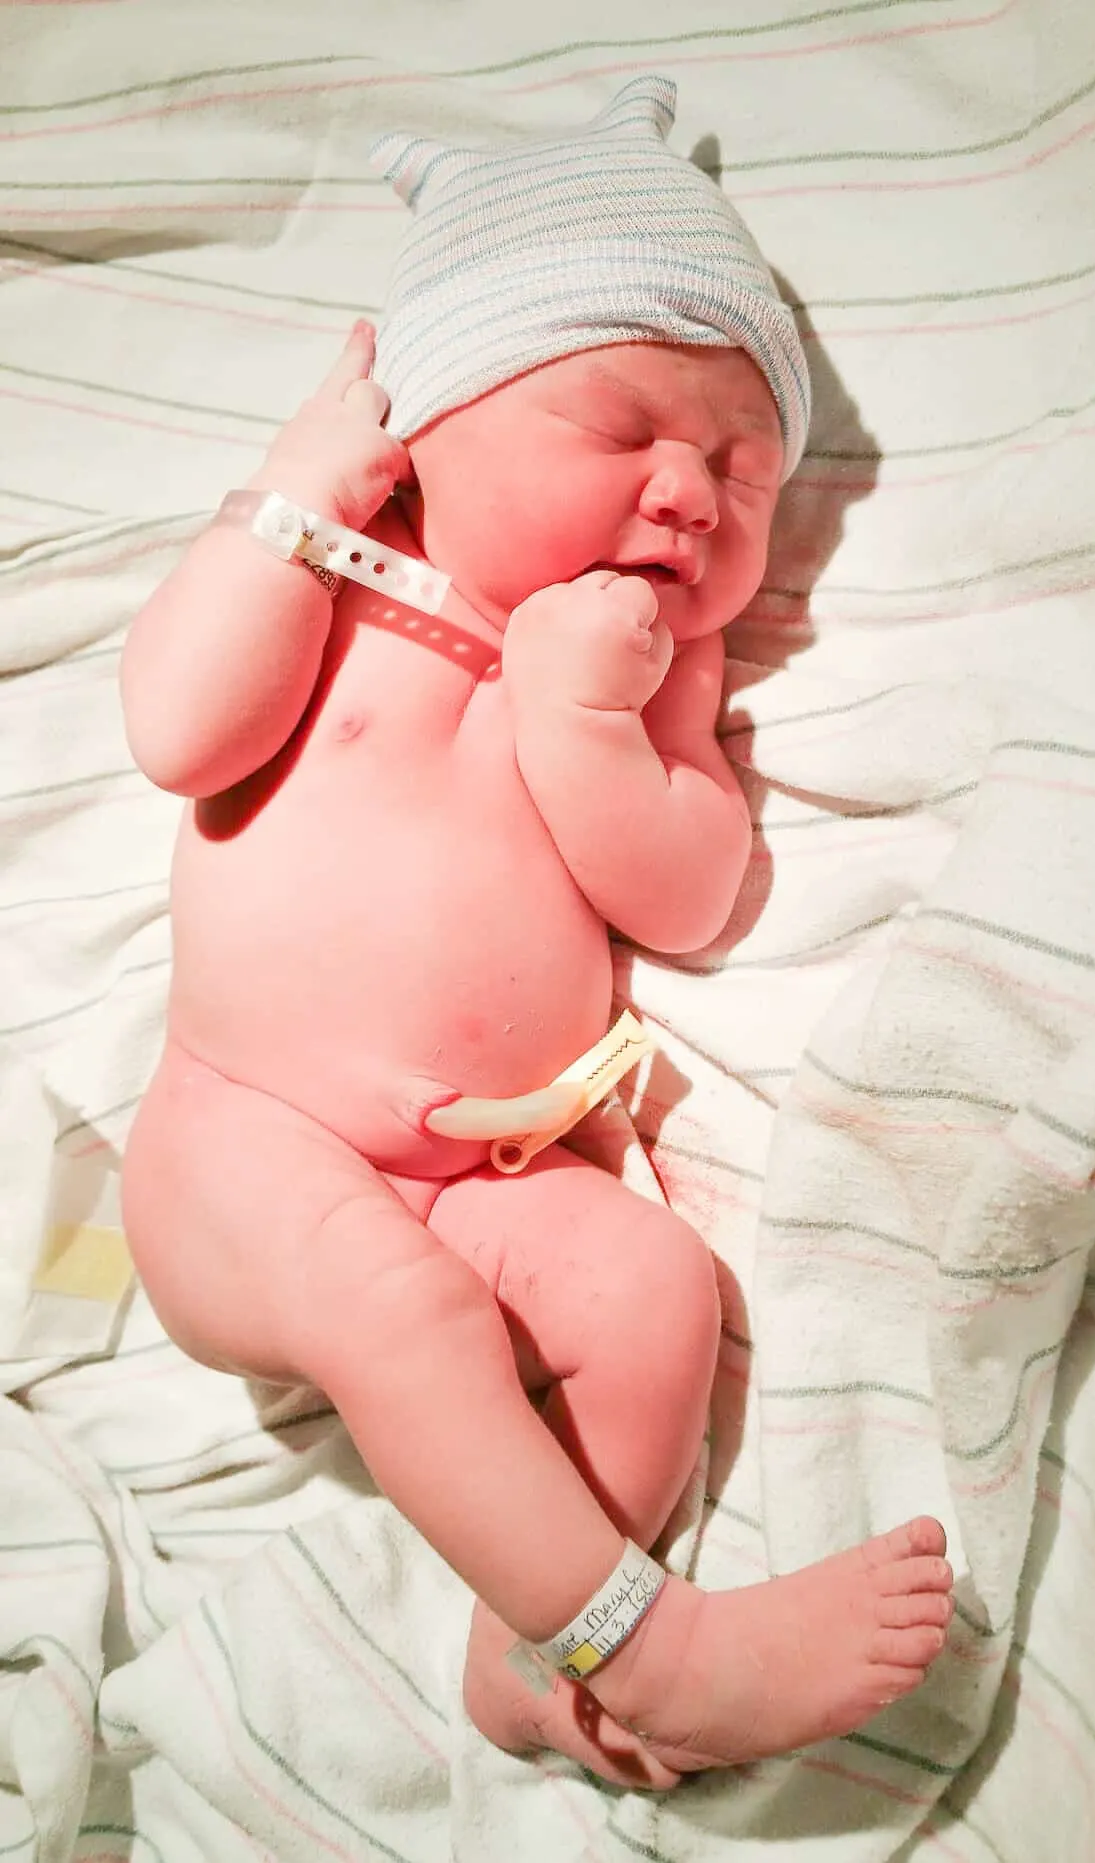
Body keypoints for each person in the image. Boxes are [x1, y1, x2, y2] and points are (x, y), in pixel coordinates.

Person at [119, 76, 953, 1790]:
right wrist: (287, 499)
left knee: (651, 1287)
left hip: (489, 1179)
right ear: (432, 426)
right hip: (240, 1143)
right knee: (398, 1312)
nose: (691, 499)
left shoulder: (660, 670)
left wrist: (588, 730)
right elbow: (178, 733)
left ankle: (525, 1652)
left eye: (741, 471)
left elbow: (692, 895)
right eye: (625, 428)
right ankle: (653, 1644)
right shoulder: (341, 572)